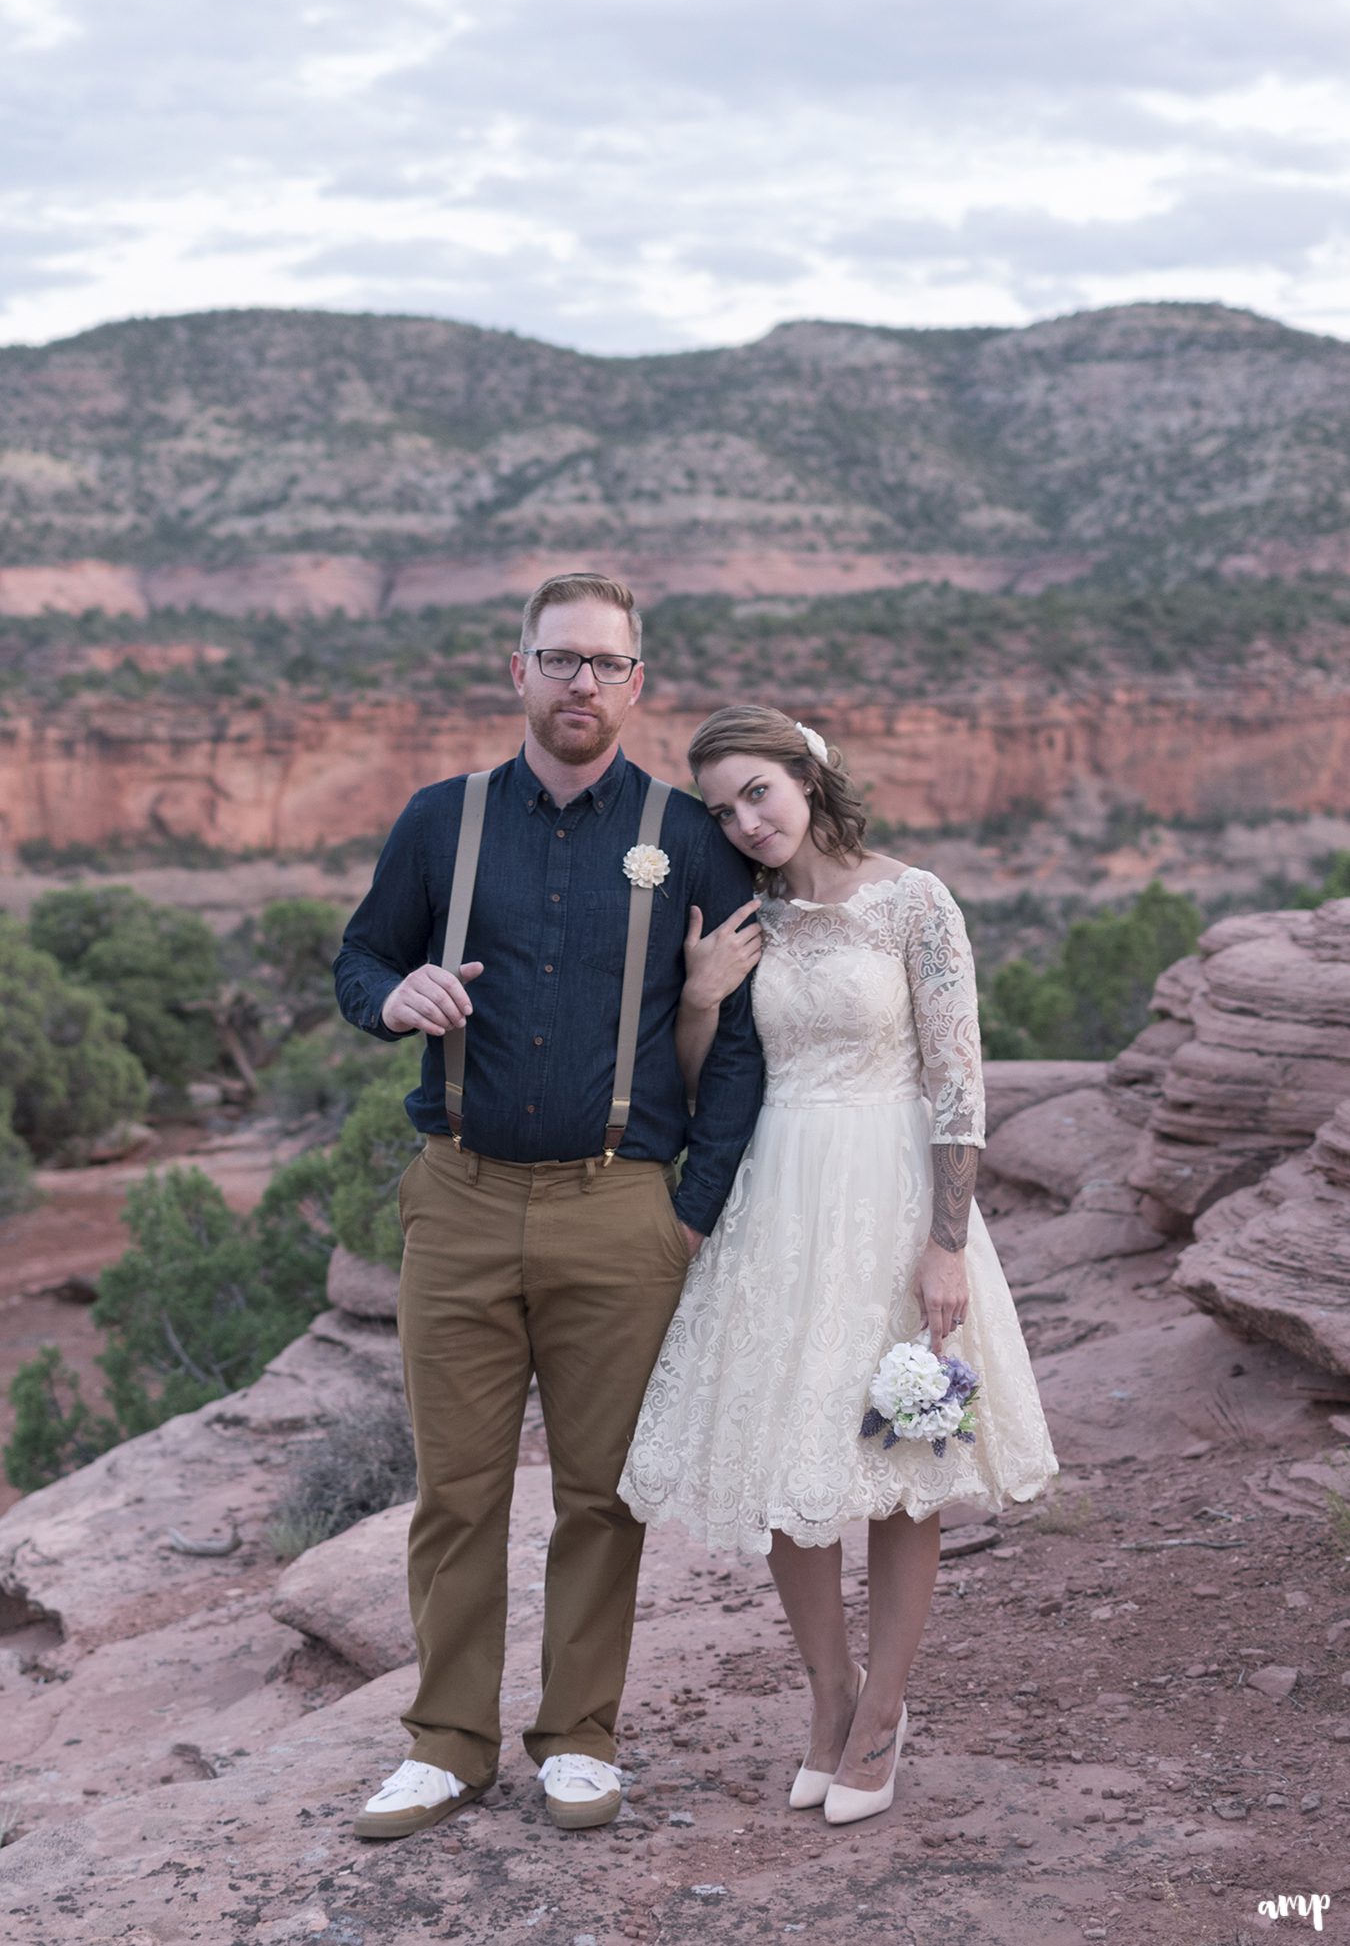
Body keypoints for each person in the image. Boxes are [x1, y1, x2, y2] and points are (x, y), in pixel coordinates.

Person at [333, 574, 763, 1837]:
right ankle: (447, 1745)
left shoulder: (691, 834)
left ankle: (579, 1736)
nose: (582, 685)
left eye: (605, 666)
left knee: (601, 1495)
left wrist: (690, 1209)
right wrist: (390, 996)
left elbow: (737, 1040)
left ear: (638, 686)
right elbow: (360, 956)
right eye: (559, 659)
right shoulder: (441, 821)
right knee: (457, 1493)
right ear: (514, 669)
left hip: (621, 1209)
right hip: (458, 1199)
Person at [619, 704, 1059, 1825]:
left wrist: (946, 1243)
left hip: (890, 1188)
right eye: (721, 809)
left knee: (901, 1461)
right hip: (779, 1195)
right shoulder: (744, 919)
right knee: (785, 1456)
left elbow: (960, 1083)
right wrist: (705, 995)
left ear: (808, 776)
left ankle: (885, 1715)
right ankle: (829, 1698)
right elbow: (695, 1076)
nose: (746, 821)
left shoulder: (915, 901)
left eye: (758, 792)